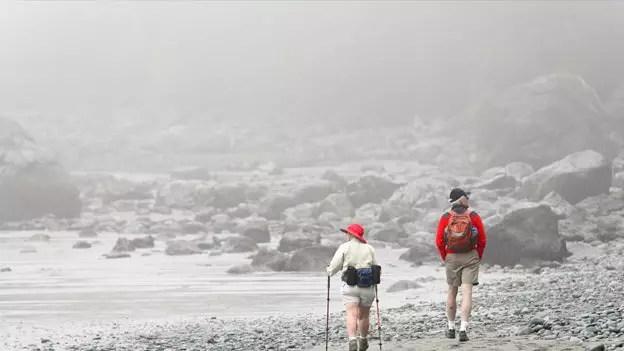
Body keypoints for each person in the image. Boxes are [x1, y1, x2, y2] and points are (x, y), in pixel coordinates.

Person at [435, 188, 487, 342]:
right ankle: (463, 328)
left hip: (451, 256)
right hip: (470, 255)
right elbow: (483, 240)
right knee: (467, 293)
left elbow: (439, 241)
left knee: (452, 292)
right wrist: (478, 256)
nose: (468, 200)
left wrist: (446, 257)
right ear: (461, 199)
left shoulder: (445, 217)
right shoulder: (474, 215)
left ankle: (451, 328)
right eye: (466, 198)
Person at [327, 223, 378, 351]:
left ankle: (352, 341)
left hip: (350, 286)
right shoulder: (370, 248)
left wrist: (329, 271)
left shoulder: (344, 247)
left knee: (351, 314)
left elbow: (333, 268)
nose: (346, 235)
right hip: (367, 286)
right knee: (364, 315)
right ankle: (363, 339)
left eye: (347, 233)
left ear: (350, 234)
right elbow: (375, 267)